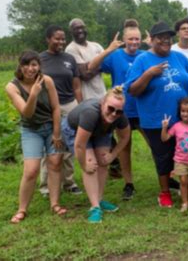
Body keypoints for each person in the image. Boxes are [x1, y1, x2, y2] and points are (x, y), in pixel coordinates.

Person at [127, 21, 188, 208]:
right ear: (152, 40)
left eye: (168, 37)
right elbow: (132, 90)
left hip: (183, 119)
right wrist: (148, 74)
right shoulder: (143, 60)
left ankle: (187, 188)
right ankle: (164, 192)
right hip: (156, 119)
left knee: (186, 153)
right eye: (160, 38)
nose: (165, 41)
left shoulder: (180, 58)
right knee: (163, 157)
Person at [7, 51, 67, 223]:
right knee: (31, 170)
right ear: (20, 65)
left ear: (39, 66)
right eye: (26, 64)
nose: (30, 69)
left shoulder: (47, 81)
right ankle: (22, 209)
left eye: (34, 64)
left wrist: (56, 133)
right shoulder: (12, 87)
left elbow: (56, 108)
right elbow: (27, 113)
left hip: (51, 127)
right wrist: (33, 93)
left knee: (55, 164)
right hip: (30, 130)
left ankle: (54, 203)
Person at [90, 19, 145, 200]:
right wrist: (109, 49)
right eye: (131, 39)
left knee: (156, 146)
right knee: (124, 147)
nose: (134, 43)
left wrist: (153, 46)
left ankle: (168, 180)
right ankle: (128, 183)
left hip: (143, 108)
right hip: (122, 110)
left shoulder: (145, 55)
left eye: (137, 39)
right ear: (124, 39)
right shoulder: (116, 56)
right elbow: (93, 66)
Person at [61, 86, 130, 223]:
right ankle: (95, 207)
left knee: (104, 161)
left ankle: (99, 199)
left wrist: (113, 154)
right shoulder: (90, 113)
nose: (114, 113)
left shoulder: (119, 117)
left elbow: (125, 137)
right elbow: (80, 145)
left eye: (118, 111)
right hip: (75, 130)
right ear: (102, 103)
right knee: (91, 163)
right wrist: (84, 165)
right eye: (110, 108)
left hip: (101, 131)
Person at [39, 25, 82, 196]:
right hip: (48, 108)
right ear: (48, 39)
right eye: (57, 38)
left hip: (69, 104)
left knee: (69, 145)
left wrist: (79, 106)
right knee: (49, 145)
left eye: (63, 38)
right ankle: (45, 185)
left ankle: (69, 182)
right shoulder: (40, 59)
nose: (61, 42)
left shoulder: (69, 59)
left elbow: (76, 85)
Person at [161, 97, 188, 213]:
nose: (186, 114)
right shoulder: (176, 126)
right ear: (180, 112)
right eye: (183, 111)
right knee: (184, 181)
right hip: (180, 160)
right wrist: (164, 127)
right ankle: (184, 202)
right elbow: (164, 138)